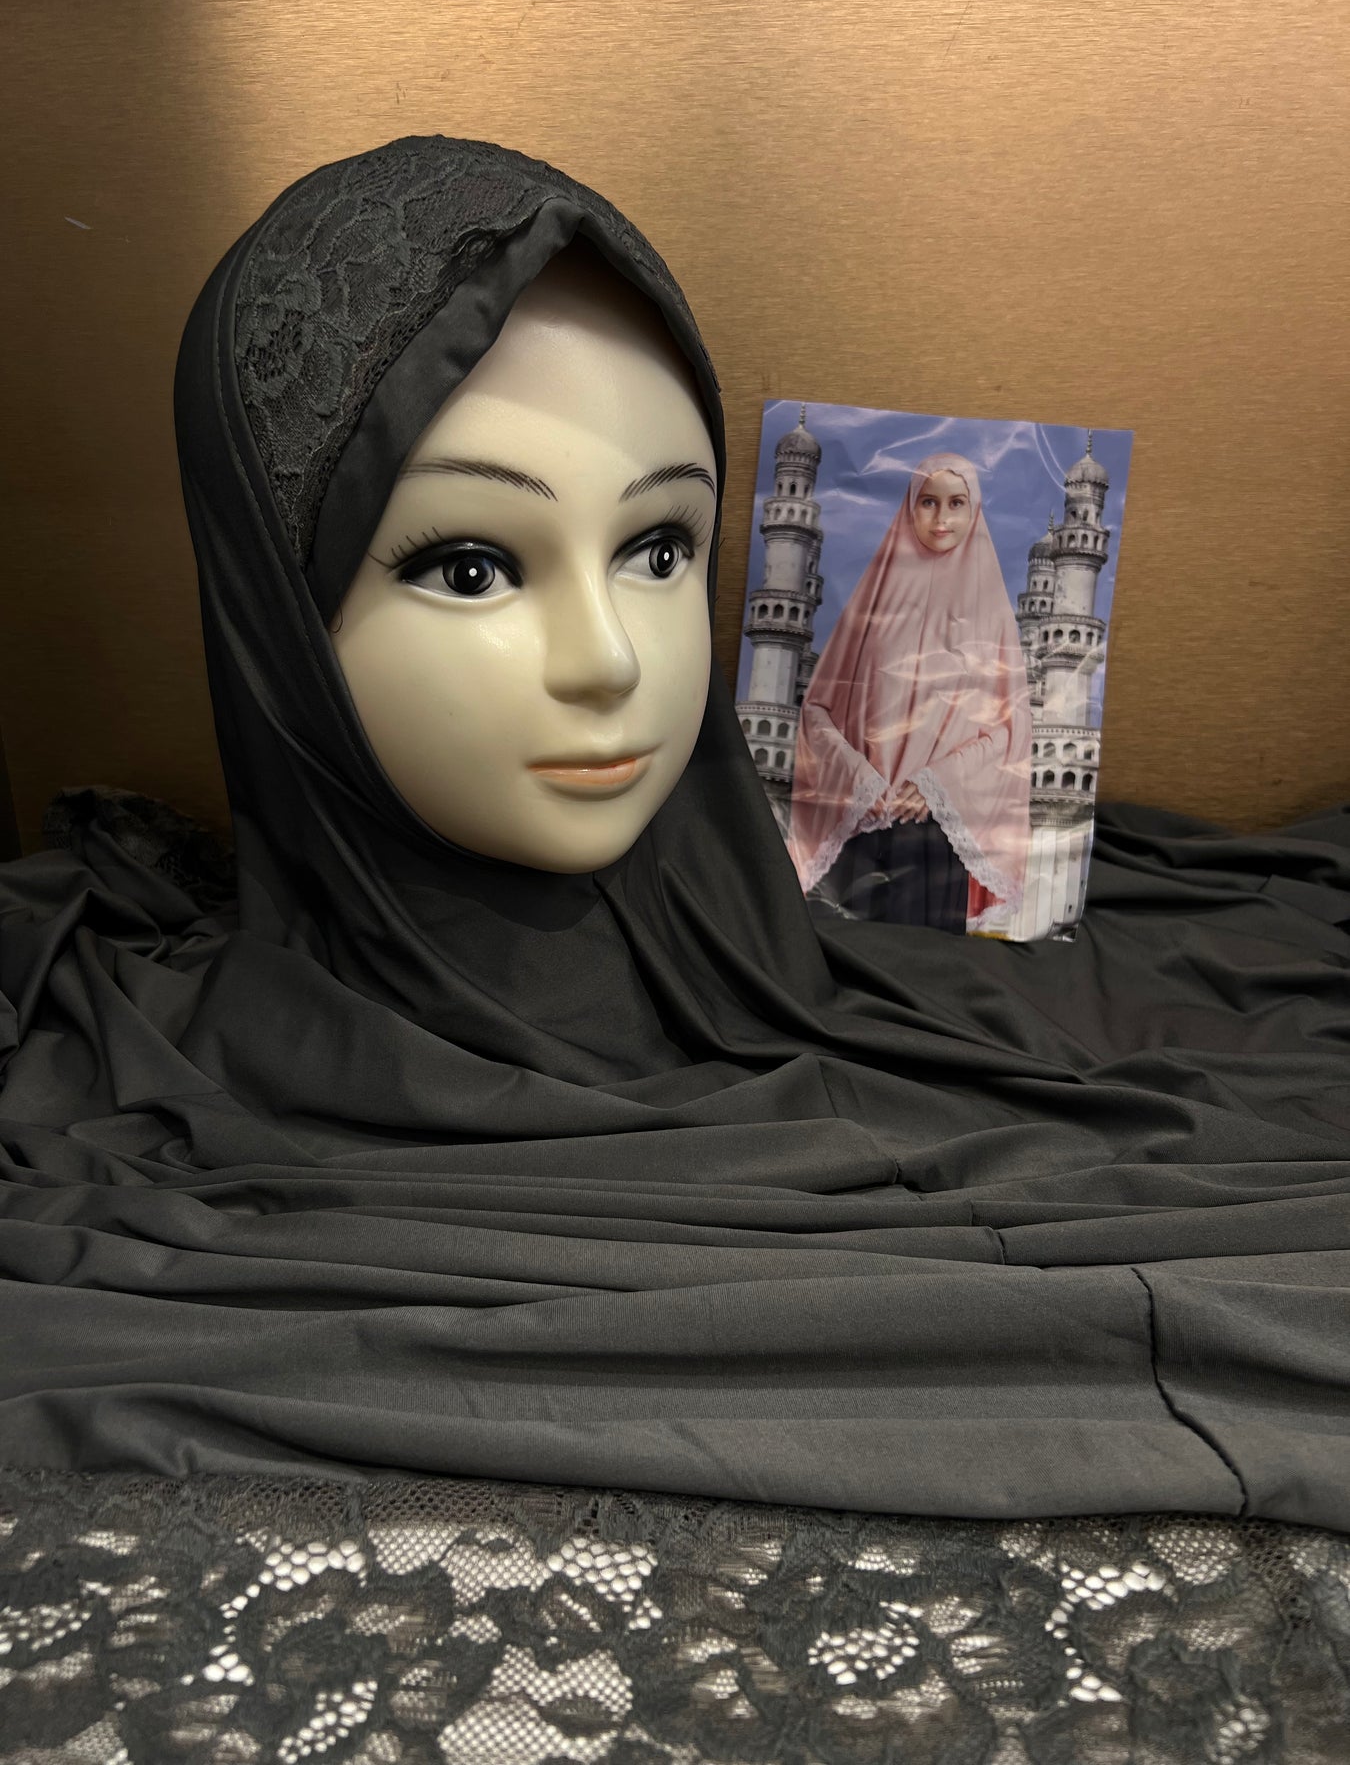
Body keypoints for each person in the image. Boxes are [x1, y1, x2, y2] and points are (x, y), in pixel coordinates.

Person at [0, 137, 1346, 1535]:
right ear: (273, 616)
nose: (611, 661)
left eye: (658, 550)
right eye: (471, 565)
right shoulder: (120, 1167)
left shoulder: (766, 957)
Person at [788, 454, 1032, 932]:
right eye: (928, 502)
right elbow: (817, 710)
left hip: (939, 835)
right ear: (910, 506)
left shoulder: (990, 612)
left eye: (956, 503)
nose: (941, 518)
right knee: (849, 950)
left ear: (974, 510)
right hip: (863, 824)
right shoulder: (875, 598)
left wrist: (938, 783)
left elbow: (1012, 730)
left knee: (925, 959)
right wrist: (859, 778)